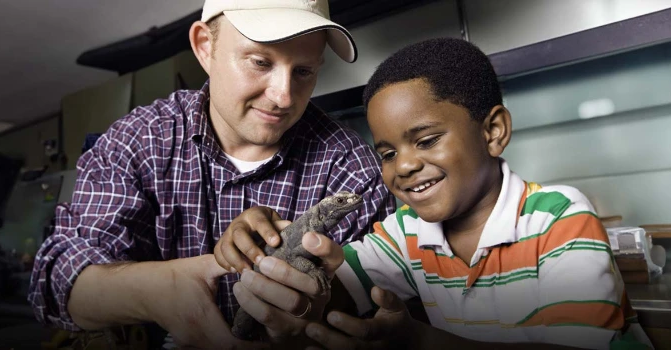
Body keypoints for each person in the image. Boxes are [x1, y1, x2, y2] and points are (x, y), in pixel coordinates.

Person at [217, 38, 653, 349]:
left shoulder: (559, 219)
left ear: (493, 131)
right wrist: (289, 263)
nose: (403, 165)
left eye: (425, 141)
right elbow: (331, 292)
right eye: (387, 153)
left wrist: (423, 342)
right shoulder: (405, 233)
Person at [27, 0, 395, 348]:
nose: (284, 96)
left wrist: (327, 312)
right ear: (205, 47)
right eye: (260, 62)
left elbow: (386, 303)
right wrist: (159, 289)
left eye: (303, 71)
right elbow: (56, 279)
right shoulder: (138, 139)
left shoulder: (351, 166)